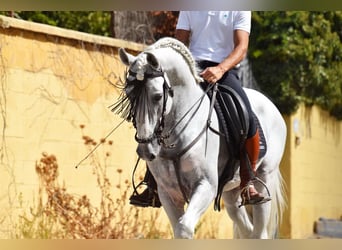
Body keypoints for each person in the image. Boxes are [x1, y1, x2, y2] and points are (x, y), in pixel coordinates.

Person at [129, 11, 269, 208]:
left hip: (225, 70)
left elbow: (241, 47)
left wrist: (220, 69)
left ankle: (247, 182)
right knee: (160, 114)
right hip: (192, 69)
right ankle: (152, 185)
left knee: (246, 117)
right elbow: (178, 43)